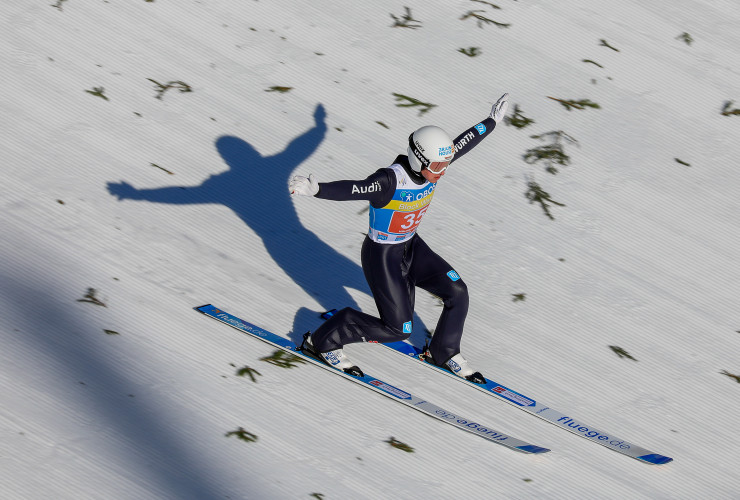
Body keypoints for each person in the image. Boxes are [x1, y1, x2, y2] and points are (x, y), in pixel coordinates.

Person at [289, 93, 509, 383]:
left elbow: (464, 142)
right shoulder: (389, 180)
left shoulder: (434, 161)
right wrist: (316, 190)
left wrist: (491, 121)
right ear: (418, 159)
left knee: (457, 291)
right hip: (382, 256)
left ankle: (443, 351)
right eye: (437, 167)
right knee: (399, 329)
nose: (442, 172)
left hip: (412, 247)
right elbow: (355, 188)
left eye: (445, 165)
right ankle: (322, 341)